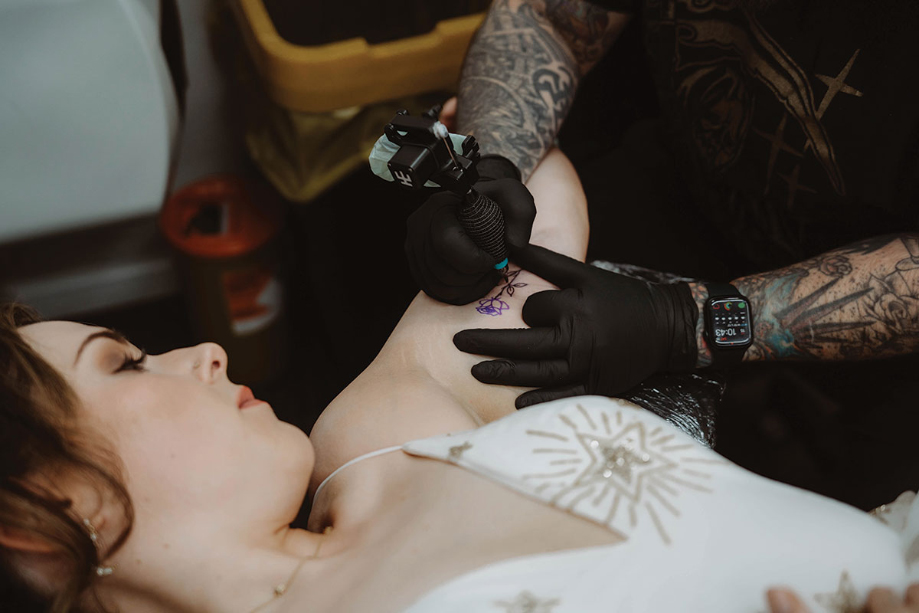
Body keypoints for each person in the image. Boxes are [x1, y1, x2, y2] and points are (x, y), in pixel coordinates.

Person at [2, 149, 918, 613]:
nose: (200, 350)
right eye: (124, 362)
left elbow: (540, 197)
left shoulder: (371, 438)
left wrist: (478, 177)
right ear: (44, 518)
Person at [403, 0, 919, 409]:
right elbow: (551, 17)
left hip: (880, 311)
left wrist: (684, 323)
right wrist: (492, 163)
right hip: (680, 184)